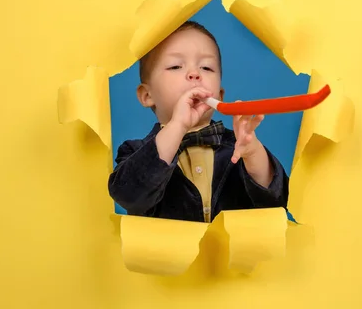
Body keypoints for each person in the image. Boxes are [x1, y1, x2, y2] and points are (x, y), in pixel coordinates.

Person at [108, 20, 289, 222]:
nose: (194, 74)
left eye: (206, 67)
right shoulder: (133, 151)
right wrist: (178, 125)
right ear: (147, 95)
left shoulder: (237, 148)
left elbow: (276, 200)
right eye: (176, 66)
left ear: (219, 96)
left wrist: (253, 151)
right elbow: (129, 196)